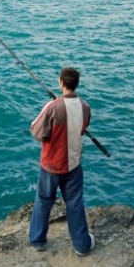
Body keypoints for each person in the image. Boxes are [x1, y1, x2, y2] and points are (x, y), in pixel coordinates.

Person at [28, 67, 96, 256]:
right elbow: (83, 127)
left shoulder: (52, 107)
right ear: (76, 84)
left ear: (61, 83)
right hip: (73, 164)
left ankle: (38, 240)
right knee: (74, 203)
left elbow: (37, 132)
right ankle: (82, 245)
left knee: (43, 201)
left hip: (51, 165)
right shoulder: (85, 107)